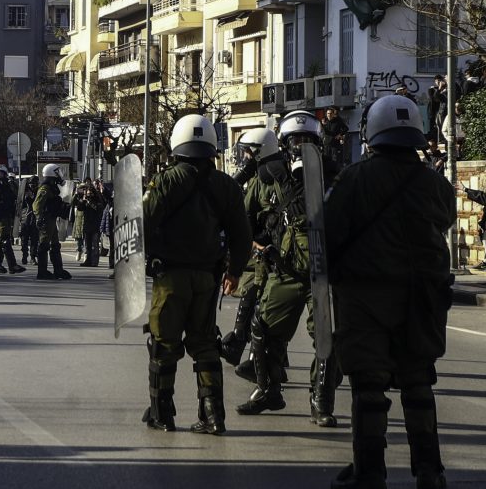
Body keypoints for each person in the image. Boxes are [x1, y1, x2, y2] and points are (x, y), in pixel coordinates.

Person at [325, 94, 455, 489]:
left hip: (366, 296)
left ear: (372, 131)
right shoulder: (436, 183)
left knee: (369, 385)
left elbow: (330, 233)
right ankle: (429, 471)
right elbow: (446, 219)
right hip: (422, 296)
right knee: (418, 382)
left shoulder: (354, 179)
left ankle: (370, 473)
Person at [141, 114, 252, 435]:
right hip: (209, 279)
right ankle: (213, 415)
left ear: (178, 145)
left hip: (171, 277)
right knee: (205, 344)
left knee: (163, 345)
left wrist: (146, 261)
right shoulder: (227, 186)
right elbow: (242, 236)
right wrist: (234, 272)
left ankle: (162, 412)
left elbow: (142, 224)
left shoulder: (166, 181)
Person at [236, 110, 341, 427]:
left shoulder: (335, 176)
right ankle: (268, 390)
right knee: (262, 328)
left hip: (324, 271)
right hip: (284, 267)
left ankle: (321, 402)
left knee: (326, 336)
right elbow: (243, 217)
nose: (299, 146)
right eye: (294, 141)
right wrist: (257, 243)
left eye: (306, 141)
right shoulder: (268, 177)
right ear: (282, 145)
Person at [220, 128, 280, 369]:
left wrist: (256, 242)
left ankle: (248, 347)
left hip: (271, 250)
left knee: (258, 295)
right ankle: (249, 346)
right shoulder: (265, 176)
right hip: (267, 248)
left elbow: (256, 217)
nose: (244, 158)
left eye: (247, 153)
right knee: (257, 295)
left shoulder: (268, 179)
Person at [33, 164, 72, 280]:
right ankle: (42, 272)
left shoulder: (52, 187)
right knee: (44, 245)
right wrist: (39, 217)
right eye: (57, 172)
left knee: (55, 245)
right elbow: (36, 204)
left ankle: (58, 270)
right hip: (46, 219)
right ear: (51, 174)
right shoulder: (45, 188)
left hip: (52, 219)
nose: (59, 174)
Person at [0, 164, 26, 274]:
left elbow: (15, 198)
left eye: (1, 173)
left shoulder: (8, 186)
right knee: (5, 241)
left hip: (8, 216)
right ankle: (12, 265)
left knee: (2, 242)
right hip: (0, 217)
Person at [73, 181, 105, 267]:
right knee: (87, 245)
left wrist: (89, 202)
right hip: (87, 226)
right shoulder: (85, 200)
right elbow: (79, 208)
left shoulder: (98, 200)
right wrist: (82, 199)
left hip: (95, 226)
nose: (89, 194)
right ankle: (87, 260)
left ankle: (94, 261)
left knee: (95, 245)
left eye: (90, 192)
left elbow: (99, 209)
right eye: (87, 192)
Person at [18, 175, 39, 265]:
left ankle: (33, 257)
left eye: (34, 184)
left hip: (35, 219)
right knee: (24, 239)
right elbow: (19, 204)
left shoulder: (39, 192)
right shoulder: (24, 192)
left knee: (34, 240)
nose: (32, 186)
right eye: (31, 184)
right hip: (25, 219)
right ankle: (24, 255)